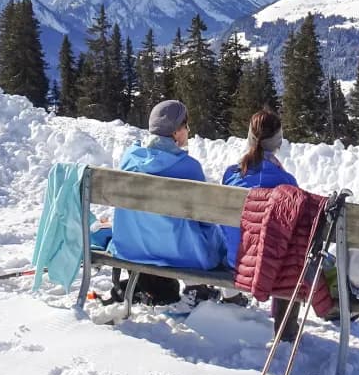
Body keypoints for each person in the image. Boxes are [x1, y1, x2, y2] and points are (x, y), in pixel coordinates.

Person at [109, 100, 229, 303]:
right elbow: (205, 220)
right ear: (175, 132)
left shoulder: (129, 158)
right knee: (211, 237)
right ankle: (200, 289)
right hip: (180, 253)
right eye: (186, 126)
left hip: (132, 247)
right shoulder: (189, 168)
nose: (188, 131)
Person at [222, 108, 299, 332]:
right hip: (268, 267)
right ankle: (286, 329)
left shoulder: (231, 175)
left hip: (232, 260)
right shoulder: (286, 182)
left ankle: (230, 298)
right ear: (278, 142)